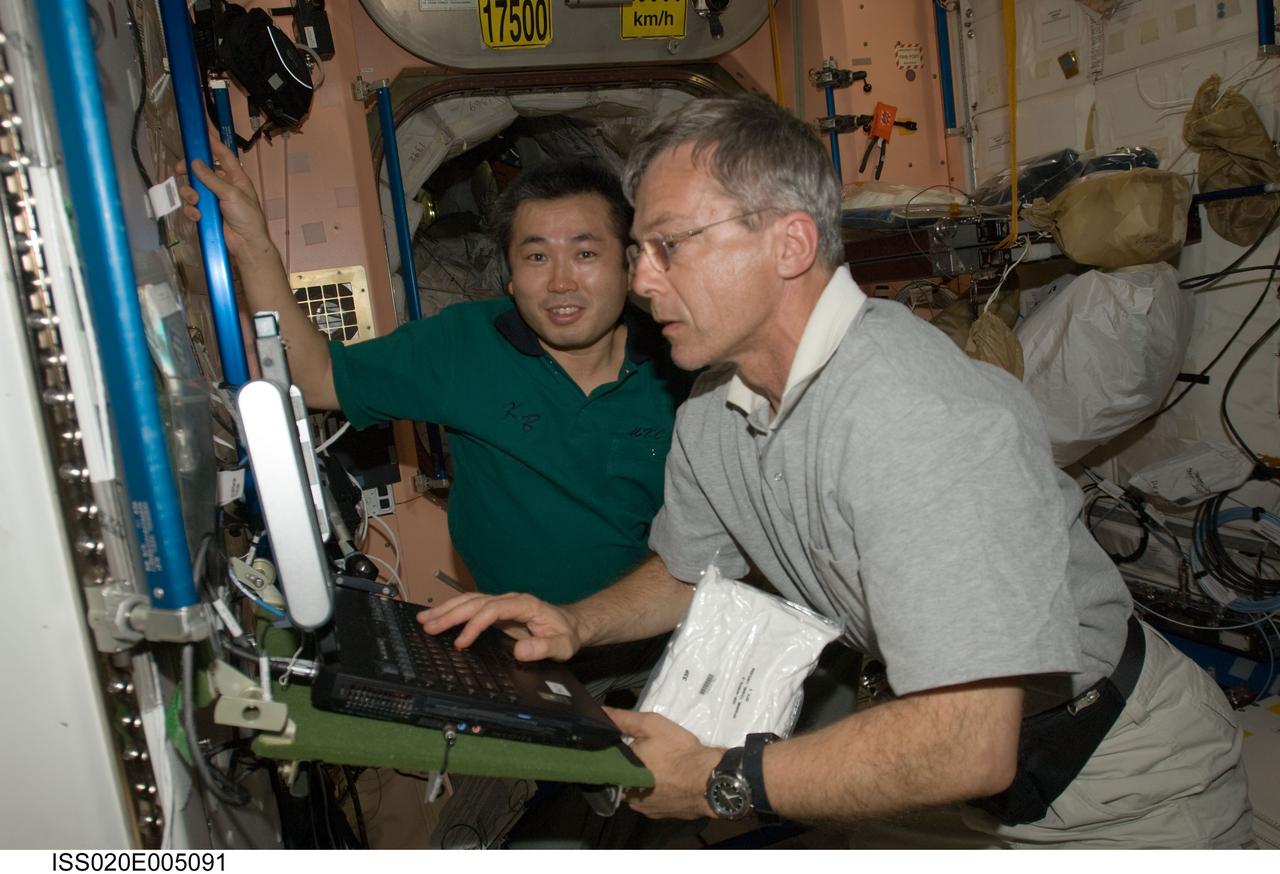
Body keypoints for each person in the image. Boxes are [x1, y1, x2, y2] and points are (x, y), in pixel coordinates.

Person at [421, 95, 1253, 848]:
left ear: (790, 243)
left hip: (1115, 776)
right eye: (639, 250)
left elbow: (969, 737)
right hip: (928, 758)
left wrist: (720, 779)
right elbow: (689, 571)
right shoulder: (715, 409)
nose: (639, 282)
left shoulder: (916, 415)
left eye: (669, 246)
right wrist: (576, 624)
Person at [179, 140, 691, 611]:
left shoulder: (684, 364)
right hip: (526, 653)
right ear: (510, 278)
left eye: (585, 254)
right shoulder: (463, 346)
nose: (560, 282)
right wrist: (254, 244)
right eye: (537, 256)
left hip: (656, 641)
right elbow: (317, 378)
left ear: (630, 267)